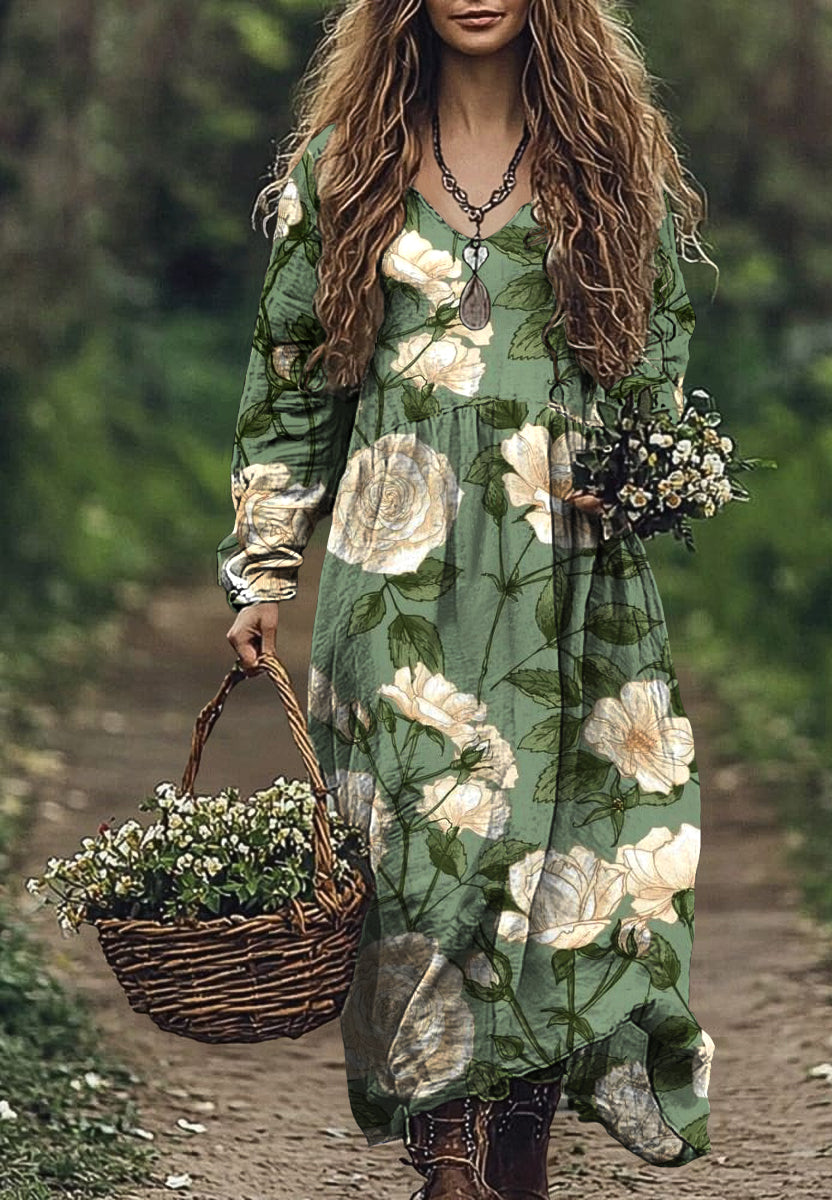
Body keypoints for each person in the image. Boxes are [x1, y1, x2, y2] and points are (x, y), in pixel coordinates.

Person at [217, 2, 718, 1197]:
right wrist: (265, 562)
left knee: (563, 866)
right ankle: (446, 1155)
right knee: (418, 861)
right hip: (396, 583)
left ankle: (522, 1143)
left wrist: (639, 472)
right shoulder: (347, 167)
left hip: (569, 580)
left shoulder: (607, 157)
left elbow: (657, 352)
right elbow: (290, 372)